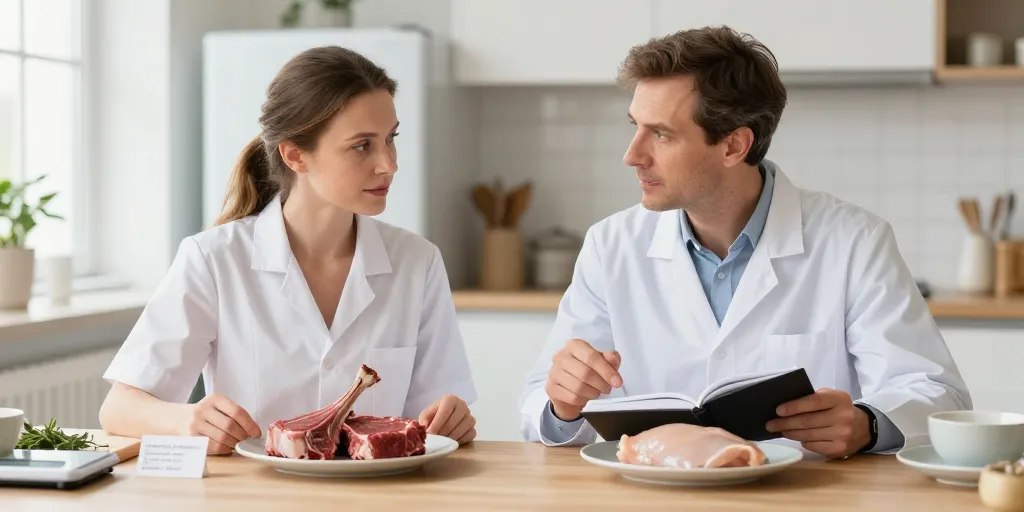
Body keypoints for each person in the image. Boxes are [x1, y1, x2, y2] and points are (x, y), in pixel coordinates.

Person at [519, 26, 971, 458]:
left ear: (734, 146)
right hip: (656, 491)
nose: (632, 155)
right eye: (635, 126)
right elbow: (543, 406)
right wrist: (562, 403)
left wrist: (867, 423)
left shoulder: (854, 241)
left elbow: (938, 395)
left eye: (660, 134)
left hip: (803, 497)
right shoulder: (610, 245)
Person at [99, 46, 478, 454]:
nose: (389, 163)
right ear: (296, 155)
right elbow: (119, 409)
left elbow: (435, 415)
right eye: (362, 146)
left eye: (390, 139)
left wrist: (450, 418)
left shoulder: (417, 263)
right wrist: (186, 419)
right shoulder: (213, 260)